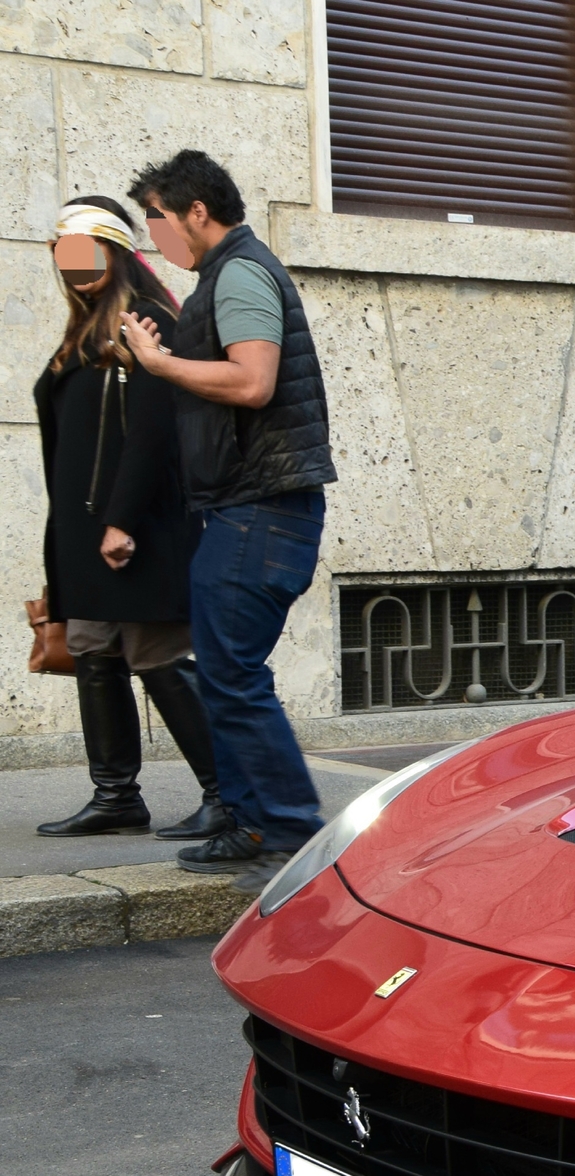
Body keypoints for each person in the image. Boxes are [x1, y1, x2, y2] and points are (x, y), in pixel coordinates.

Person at [120, 149, 336, 891]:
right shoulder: (224, 276)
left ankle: (290, 831)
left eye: (158, 220)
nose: (156, 239)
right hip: (249, 506)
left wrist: (160, 365)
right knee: (224, 672)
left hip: (262, 507)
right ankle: (250, 823)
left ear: (196, 212)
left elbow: (252, 381)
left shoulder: (240, 273)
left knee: (233, 675)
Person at [31, 198, 229, 840]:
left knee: (158, 655)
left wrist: (123, 521)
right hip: (85, 531)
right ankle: (115, 797)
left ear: (116, 253)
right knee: (93, 653)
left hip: (139, 524)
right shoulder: (84, 332)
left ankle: (228, 795)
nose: (75, 268)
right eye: (65, 256)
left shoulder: (147, 321)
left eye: (86, 253)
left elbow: (153, 433)